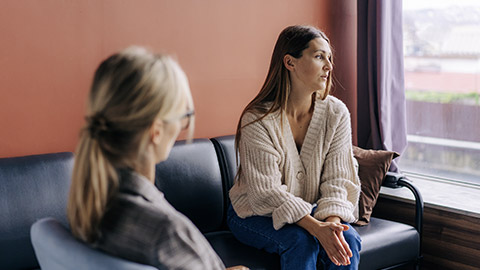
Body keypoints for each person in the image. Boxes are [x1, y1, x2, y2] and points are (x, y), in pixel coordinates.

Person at [67, 47, 247, 270]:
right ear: (157, 131)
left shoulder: (89, 205)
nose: (184, 126)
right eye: (183, 117)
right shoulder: (167, 232)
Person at [227, 25, 362, 270]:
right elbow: (266, 193)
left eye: (329, 58)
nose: (329, 66)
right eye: (319, 56)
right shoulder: (257, 119)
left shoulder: (336, 113)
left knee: (348, 239)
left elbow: (339, 179)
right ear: (290, 62)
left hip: (309, 210)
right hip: (254, 214)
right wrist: (316, 229)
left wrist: (331, 225)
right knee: (301, 241)